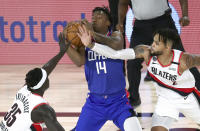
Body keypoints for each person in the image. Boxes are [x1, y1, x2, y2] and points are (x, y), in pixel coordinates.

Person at [78, 27, 200, 131]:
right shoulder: (146, 52)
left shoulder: (184, 60)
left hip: (188, 98)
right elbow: (116, 54)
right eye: (153, 41)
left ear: (167, 47)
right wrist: (91, 45)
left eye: (157, 43)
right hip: (166, 100)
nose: (152, 44)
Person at [65, 6, 142, 131]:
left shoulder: (115, 35)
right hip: (95, 103)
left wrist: (92, 34)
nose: (94, 19)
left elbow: (117, 45)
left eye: (99, 16)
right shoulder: (85, 41)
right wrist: (64, 42)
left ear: (108, 23)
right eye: (93, 17)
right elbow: (79, 61)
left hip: (119, 102)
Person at [116, 0, 200, 108]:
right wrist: (120, 22)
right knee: (133, 63)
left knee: (182, 58)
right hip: (140, 27)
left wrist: (185, 15)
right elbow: (123, 2)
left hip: (163, 23)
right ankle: (134, 97)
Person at [0, 33, 68, 131]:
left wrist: (61, 52)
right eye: (46, 77)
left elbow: (46, 68)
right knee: (45, 126)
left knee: (39, 126)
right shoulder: (43, 108)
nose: (48, 77)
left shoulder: (25, 89)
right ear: (43, 85)